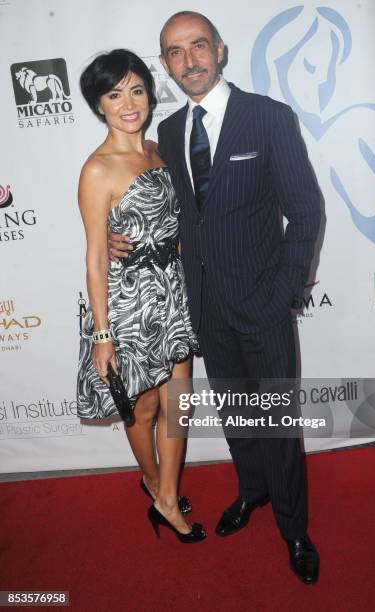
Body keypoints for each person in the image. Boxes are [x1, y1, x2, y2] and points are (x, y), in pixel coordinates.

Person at [110, 12, 321, 582]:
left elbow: (305, 212)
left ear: (220, 50)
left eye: (197, 46)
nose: (189, 61)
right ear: (165, 66)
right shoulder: (172, 135)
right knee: (237, 416)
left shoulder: (268, 118)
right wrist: (116, 236)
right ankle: (251, 492)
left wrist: (284, 294)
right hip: (204, 308)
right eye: (174, 53)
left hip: (264, 304)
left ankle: (295, 529)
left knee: (278, 424)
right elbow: (166, 215)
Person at [77, 49, 205, 543]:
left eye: (135, 90)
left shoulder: (158, 148)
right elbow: (93, 256)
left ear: (149, 94)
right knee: (145, 407)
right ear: (100, 106)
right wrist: (103, 336)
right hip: (128, 302)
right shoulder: (97, 169)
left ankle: (167, 495)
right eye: (114, 95)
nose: (128, 103)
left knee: (180, 400)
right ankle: (155, 484)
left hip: (172, 289)